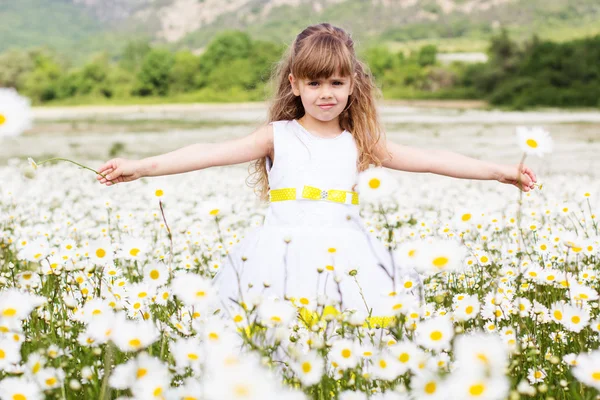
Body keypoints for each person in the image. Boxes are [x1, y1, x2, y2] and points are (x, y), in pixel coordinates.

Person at [96, 23, 537, 318]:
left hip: (349, 258)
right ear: (295, 84)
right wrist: (142, 167)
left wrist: (499, 171)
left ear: (352, 85)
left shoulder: (359, 141)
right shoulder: (278, 135)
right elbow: (208, 151)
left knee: (348, 332)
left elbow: (432, 160)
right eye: (314, 83)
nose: (326, 94)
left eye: (336, 83)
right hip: (278, 254)